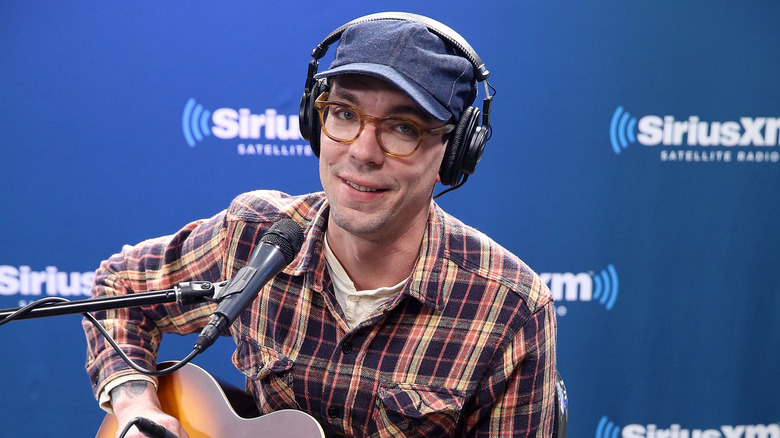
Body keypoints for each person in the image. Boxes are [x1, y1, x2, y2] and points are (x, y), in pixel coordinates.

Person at [83, 13, 557, 438]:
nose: (363, 152)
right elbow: (119, 288)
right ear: (316, 121)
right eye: (344, 114)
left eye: (403, 128)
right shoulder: (254, 234)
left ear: (453, 157)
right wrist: (134, 407)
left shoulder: (509, 309)